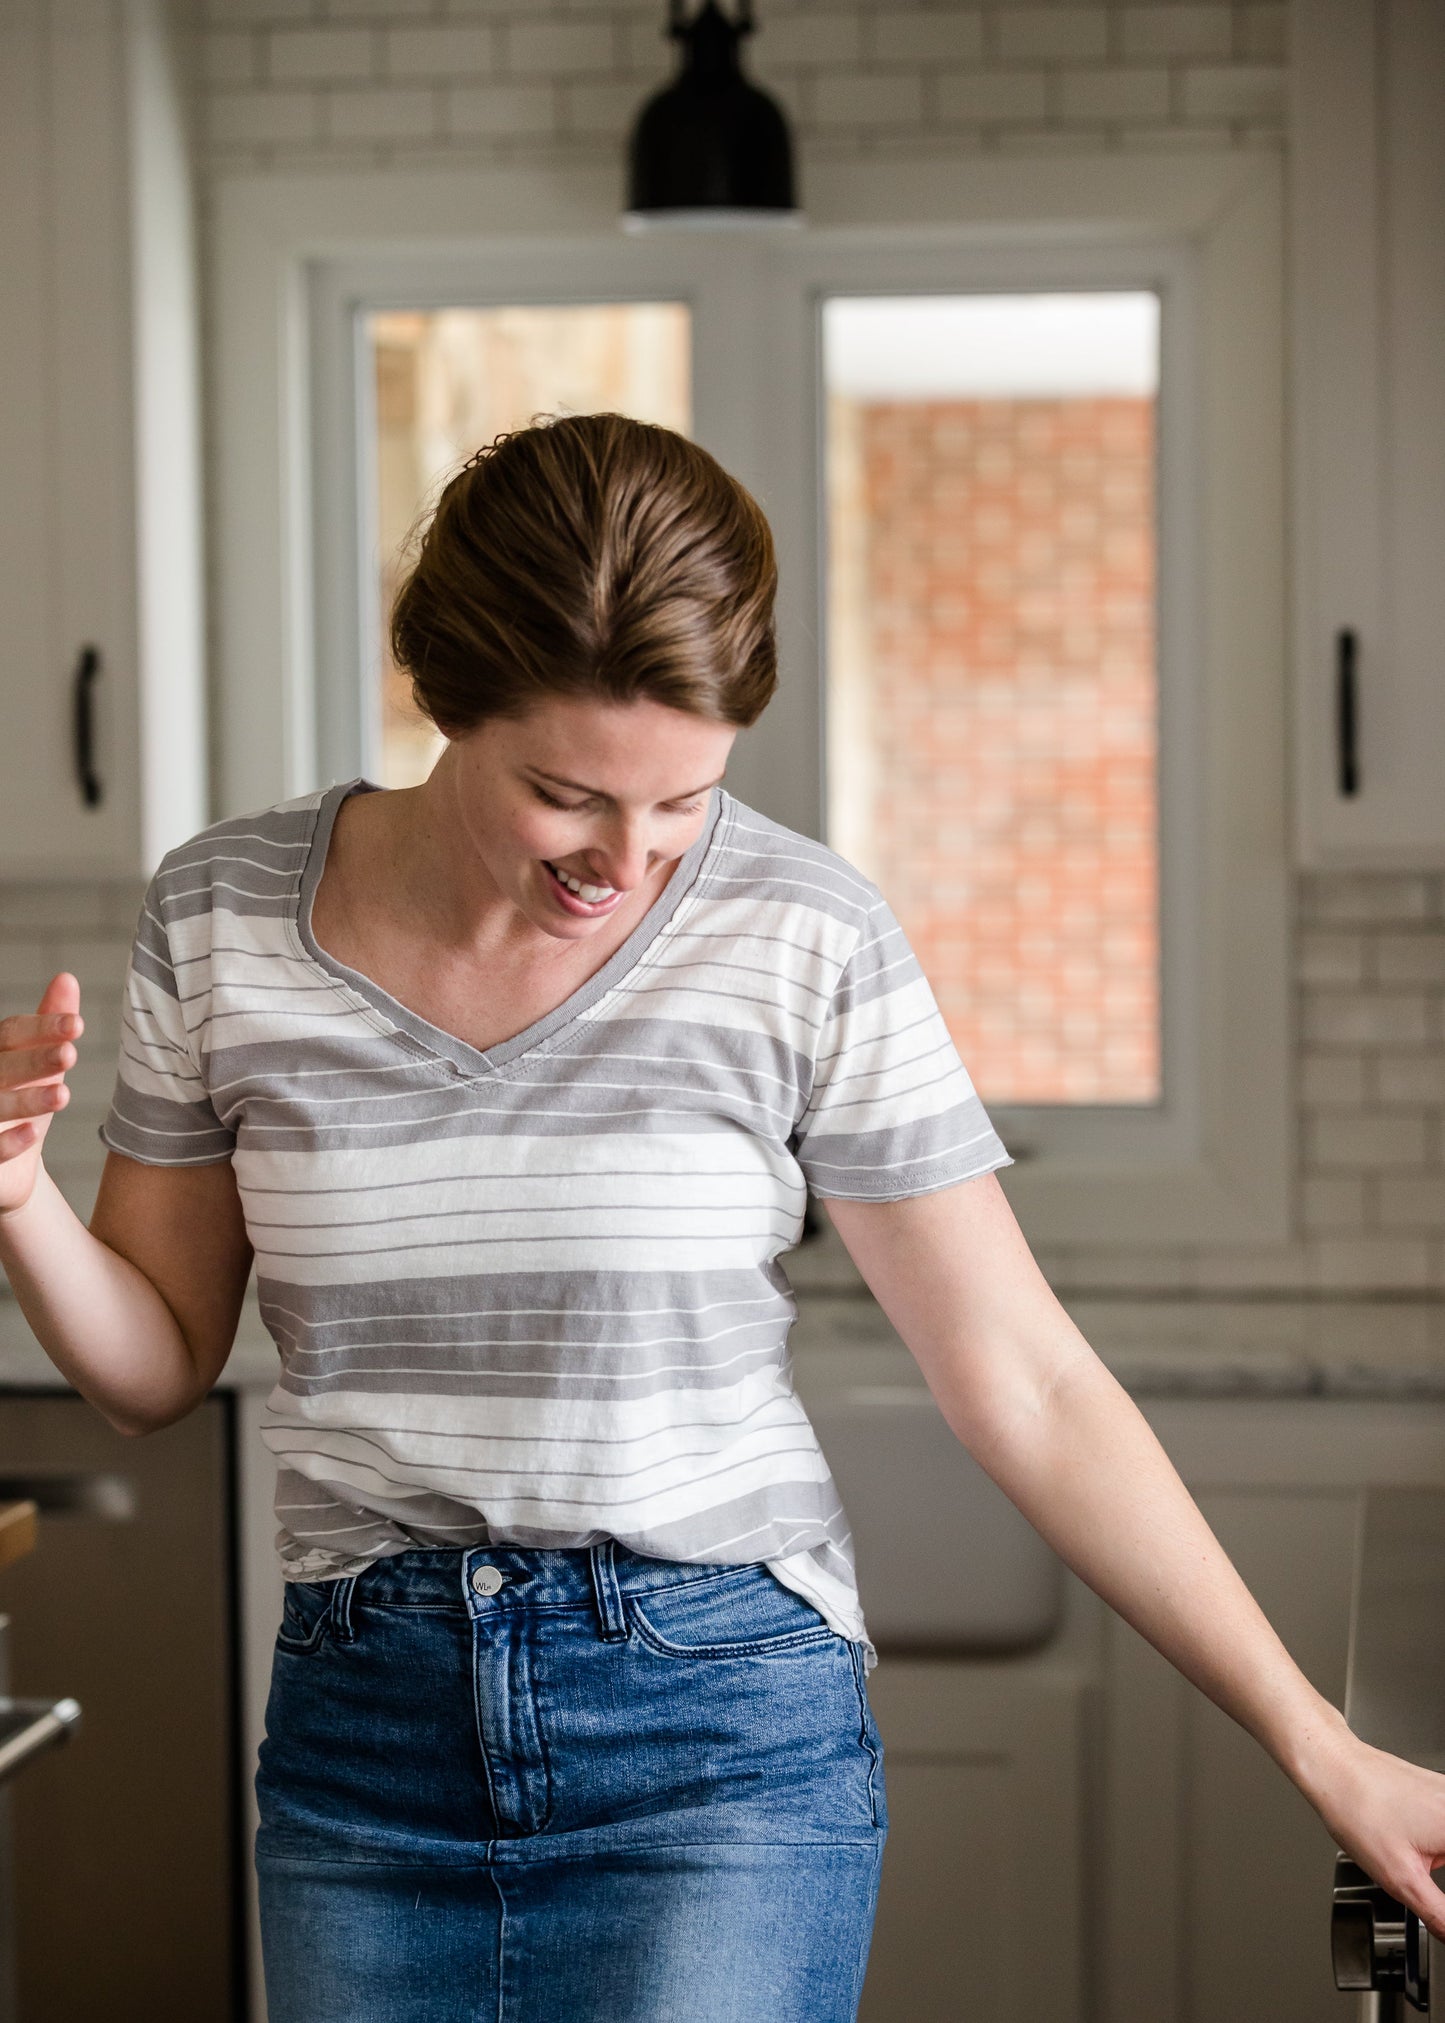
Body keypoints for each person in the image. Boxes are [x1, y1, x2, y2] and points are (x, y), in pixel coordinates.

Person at [0, 411, 1442, 2021]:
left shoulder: (800, 931)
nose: (631, 857)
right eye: (568, 795)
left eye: (683, 800)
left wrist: (1319, 1745)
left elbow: (1023, 1378)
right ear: (444, 698)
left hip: (713, 1739)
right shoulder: (224, 913)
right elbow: (152, 1364)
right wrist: (16, 1204)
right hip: (363, 1740)